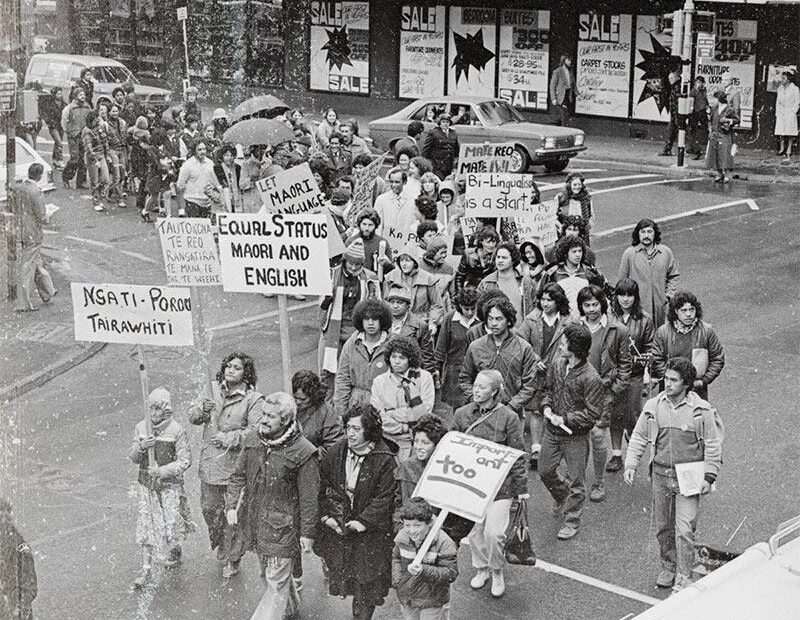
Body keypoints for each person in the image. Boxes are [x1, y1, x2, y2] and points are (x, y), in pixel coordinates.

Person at [624, 357, 722, 593]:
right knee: (663, 527)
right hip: (660, 475)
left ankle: (684, 575)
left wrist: (709, 476)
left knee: (685, 529)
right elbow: (639, 436)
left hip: (688, 478)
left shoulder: (701, 411)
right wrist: (631, 464)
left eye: (674, 380)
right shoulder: (654, 406)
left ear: (686, 384)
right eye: (666, 379)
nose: (667, 384)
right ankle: (668, 566)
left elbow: (712, 444)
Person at [226, 392, 319, 620]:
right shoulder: (253, 439)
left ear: (285, 420)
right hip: (256, 523)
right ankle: (291, 609)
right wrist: (231, 505)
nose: (264, 420)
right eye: (263, 414)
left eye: (271, 416)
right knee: (269, 575)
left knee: (275, 581)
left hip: (284, 529)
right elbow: (238, 475)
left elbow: (309, 498)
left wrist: (307, 533)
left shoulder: (304, 452)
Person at [315, 403, 397, 620]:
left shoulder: (384, 458)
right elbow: (323, 485)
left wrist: (363, 521)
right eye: (348, 428)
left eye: (356, 429)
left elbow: (385, 497)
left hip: (370, 535)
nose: (350, 433)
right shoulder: (337, 451)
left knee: (366, 584)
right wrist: (327, 516)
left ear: (369, 430)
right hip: (341, 529)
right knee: (347, 578)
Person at [188, 353, 264, 579]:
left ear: (246, 373)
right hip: (211, 464)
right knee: (210, 509)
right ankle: (222, 542)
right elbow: (193, 417)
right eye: (228, 366)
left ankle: (233, 556)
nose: (231, 370)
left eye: (237, 368)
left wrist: (229, 438)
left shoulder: (253, 399)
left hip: (234, 466)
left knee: (232, 513)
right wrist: (202, 410)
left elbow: (256, 432)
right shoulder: (211, 389)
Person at [452, 369, 527, 598]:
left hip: (500, 487)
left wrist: (521, 489)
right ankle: (481, 568)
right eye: (475, 385)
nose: (476, 390)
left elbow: (518, 454)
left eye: (482, 387)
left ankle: (496, 571)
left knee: (494, 533)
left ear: (495, 392)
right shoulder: (461, 414)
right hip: (471, 484)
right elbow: (452, 445)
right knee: (475, 532)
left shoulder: (509, 417)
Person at [538, 323, 606, 540]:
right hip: (552, 432)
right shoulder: (557, 365)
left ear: (575, 348)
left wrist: (566, 419)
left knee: (577, 480)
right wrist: (546, 406)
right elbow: (548, 390)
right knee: (545, 471)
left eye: (563, 343)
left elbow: (593, 414)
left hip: (575, 437)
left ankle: (572, 521)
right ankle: (562, 495)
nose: (559, 346)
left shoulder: (591, 378)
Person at [129, 387, 192, 588]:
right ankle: (146, 569)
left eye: (158, 409)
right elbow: (133, 457)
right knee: (147, 526)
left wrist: (163, 471)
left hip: (169, 487)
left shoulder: (176, 430)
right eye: (151, 408)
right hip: (147, 486)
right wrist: (141, 447)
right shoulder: (141, 427)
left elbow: (185, 460)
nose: (153, 413)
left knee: (171, 525)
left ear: (166, 410)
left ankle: (175, 549)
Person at [576, 285, 631, 502]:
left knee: (598, 436)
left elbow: (625, 364)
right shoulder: (574, 327)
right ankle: (578, 483)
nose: (591, 309)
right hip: (577, 391)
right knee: (578, 438)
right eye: (586, 305)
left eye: (595, 304)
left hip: (603, 391)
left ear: (603, 304)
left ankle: (598, 482)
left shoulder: (617, 330)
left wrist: (614, 390)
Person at [516, 282, 571, 469]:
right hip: (536, 371)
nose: (545, 303)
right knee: (535, 409)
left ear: (558, 301)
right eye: (543, 299)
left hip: (558, 371)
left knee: (556, 408)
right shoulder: (532, 319)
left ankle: (554, 449)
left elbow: (572, 342)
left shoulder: (568, 321)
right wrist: (534, 358)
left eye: (550, 300)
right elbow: (520, 341)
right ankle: (536, 448)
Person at [459, 297, 537, 418]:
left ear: (509, 321)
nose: (493, 323)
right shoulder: (476, 347)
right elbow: (465, 379)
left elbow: (530, 385)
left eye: (499, 319)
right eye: (490, 319)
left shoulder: (524, 348)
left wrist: (511, 407)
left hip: (512, 414)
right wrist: (476, 400)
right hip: (481, 413)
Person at [319, 239, 381, 388]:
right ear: (344, 260)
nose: (353, 267)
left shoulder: (370, 278)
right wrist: (327, 298)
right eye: (350, 263)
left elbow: (377, 305)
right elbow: (321, 306)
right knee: (326, 372)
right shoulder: (332, 274)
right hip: (333, 330)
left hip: (357, 331)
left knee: (354, 371)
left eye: (357, 264)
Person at [608, 278, 655, 470]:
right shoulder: (609, 317)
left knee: (633, 414)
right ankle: (616, 455)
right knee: (614, 414)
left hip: (635, 375)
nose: (625, 299)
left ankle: (633, 451)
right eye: (622, 295)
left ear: (636, 297)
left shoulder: (644, 319)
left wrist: (641, 360)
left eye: (630, 295)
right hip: (614, 374)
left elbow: (651, 348)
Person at [650, 291, 725, 401]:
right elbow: (657, 359)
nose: (689, 314)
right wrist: (671, 379)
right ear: (676, 311)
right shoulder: (663, 332)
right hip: (670, 389)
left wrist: (704, 381)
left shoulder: (706, 331)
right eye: (684, 310)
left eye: (691, 309)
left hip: (697, 390)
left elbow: (717, 358)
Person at [392, 497, 459, 620]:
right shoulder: (402, 537)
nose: (411, 531)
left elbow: (450, 573)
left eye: (417, 525)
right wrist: (398, 579)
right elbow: (396, 558)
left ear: (429, 523)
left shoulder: (444, 542)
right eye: (407, 525)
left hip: (432, 600)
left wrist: (424, 570)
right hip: (407, 596)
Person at [370, 336, 435, 458]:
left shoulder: (424, 378)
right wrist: (403, 427)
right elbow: (377, 416)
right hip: (386, 439)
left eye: (402, 358)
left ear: (410, 359)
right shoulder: (379, 381)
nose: (397, 361)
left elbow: (423, 414)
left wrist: (391, 412)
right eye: (393, 357)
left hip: (414, 441)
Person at [334, 299, 394, 417]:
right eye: (366, 319)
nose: (370, 323)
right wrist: (341, 411)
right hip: (356, 405)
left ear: (382, 320)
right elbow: (343, 378)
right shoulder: (351, 344)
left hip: (384, 406)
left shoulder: (392, 344)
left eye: (375, 319)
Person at [617, 218, 680, 327]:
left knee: (661, 333)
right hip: (638, 308)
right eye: (643, 232)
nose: (646, 235)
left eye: (649, 232)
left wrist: (669, 296)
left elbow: (673, 276)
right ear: (638, 234)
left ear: (655, 233)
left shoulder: (665, 252)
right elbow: (621, 282)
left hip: (661, 307)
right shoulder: (629, 254)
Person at [14, 163, 57, 313]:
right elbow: (41, 216)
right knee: (28, 266)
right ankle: (24, 303)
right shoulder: (36, 192)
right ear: (39, 176)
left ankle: (48, 291)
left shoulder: (19, 188)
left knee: (37, 262)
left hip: (21, 229)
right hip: (33, 232)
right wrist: (49, 214)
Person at [538, 236, 607, 319]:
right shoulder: (553, 274)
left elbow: (602, 298)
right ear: (565, 253)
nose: (578, 255)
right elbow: (541, 299)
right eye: (574, 251)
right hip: (562, 320)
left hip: (586, 319)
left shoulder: (590, 273)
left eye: (580, 251)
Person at [383, 244, 444, 333]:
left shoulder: (428, 278)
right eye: (401, 260)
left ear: (415, 262)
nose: (404, 264)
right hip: (397, 323)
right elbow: (386, 302)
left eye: (407, 260)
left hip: (421, 323)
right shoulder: (391, 277)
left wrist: (432, 322)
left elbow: (437, 305)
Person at [477, 241, 537, 322]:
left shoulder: (526, 281)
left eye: (504, 258)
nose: (500, 260)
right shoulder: (486, 283)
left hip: (522, 328)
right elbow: (479, 311)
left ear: (513, 260)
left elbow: (535, 307)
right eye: (498, 257)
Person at [384, 284, 436, 374]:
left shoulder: (420, 325)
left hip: (410, 373)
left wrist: (427, 376)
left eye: (399, 303)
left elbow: (427, 358)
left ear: (408, 306)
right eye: (392, 302)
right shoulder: (383, 322)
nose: (395, 306)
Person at [0, 498, 37, 620]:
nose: (3, 521)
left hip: (15, 611)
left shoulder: (20, 546)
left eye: (5, 517)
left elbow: (30, 583)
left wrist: (20, 609)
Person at [292, 370, 343, 453]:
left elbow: (333, 446)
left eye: (303, 399)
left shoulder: (328, 413)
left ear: (313, 396)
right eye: (295, 397)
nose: (297, 402)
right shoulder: (291, 407)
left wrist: (311, 453)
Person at [176, 140, 222, 218]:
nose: (202, 152)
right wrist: (181, 210)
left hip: (207, 203)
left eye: (204, 149)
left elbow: (216, 183)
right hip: (192, 202)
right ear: (194, 151)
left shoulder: (210, 163)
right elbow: (180, 186)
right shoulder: (187, 165)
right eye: (199, 150)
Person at [375, 167, 416, 248]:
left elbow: (414, 225)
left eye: (397, 182)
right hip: (386, 244)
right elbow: (378, 225)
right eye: (391, 182)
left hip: (406, 245)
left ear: (404, 182)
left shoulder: (413, 201)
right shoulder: (381, 199)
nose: (393, 185)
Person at [453, 225, 499, 296]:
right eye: (488, 242)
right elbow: (459, 277)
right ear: (481, 241)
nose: (491, 245)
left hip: (489, 292)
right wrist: (460, 295)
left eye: (493, 242)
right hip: (472, 292)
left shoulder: (497, 255)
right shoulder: (468, 254)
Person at [705, 90, 739, 183]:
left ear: (719, 99)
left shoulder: (729, 109)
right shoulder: (714, 109)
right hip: (715, 134)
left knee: (725, 154)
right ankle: (719, 173)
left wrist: (729, 120)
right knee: (715, 154)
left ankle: (726, 174)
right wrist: (710, 130)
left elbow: (737, 119)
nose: (713, 100)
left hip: (724, 134)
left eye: (715, 98)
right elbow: (711, 120)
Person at [61, 87, 92, 189]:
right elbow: (64, 121)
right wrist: (69, 131)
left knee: (83, 159)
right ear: (75, 96)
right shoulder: (69, 108)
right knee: (74, 158)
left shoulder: (87, 107)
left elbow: (90, 119)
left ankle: (81, 182)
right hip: (73, 136)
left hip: (83, 136)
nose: (83, 96)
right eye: (80, 94)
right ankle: (66, 178)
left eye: (83, 94)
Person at [80, 110, 111, 211]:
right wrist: (95, 159)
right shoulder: (87, 131)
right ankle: (96, 201)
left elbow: (105, 141)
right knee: (95, 181)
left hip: (101, 155)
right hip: (93, 158)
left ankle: (100, 197)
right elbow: (89, 148)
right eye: (95, 119)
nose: (97, 120)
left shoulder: (99, 128)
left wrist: (107, 154)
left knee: (106, 179)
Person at [555, 173, 593, 244]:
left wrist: (587, 227)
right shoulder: (561, 197)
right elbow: (553, 216)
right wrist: (560, 227)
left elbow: (591, 215)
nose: (577, 187)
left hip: (581, 233)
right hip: (565, 233)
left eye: (579, 184)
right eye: (575, 185)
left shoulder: (586, 198)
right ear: (569, 185)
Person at [421, 113, 459, 180]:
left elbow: (456, 150)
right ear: (440, 123)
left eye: (447, 122)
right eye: (443, 122)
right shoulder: (434, 132)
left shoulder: (453, 133)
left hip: (449, 165)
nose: (445, 124)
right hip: (437, 165)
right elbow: (426, 150)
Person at [106, 104, 128, 208]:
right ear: (109, 112)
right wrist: (107, 154)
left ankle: (109, 190)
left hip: (122, 150)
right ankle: (120, 198)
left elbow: (125, 136)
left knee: (123, 175)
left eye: (116, 111)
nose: (115, 113)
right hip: (113, 150)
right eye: (113, 111)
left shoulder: (122, 122)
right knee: (117, 176)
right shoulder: (106, 124)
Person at [774, 71, 800, 159]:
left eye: (783, 78)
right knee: (780, 131)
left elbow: (797, 102)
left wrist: (793, 112)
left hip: (790, 112)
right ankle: (782, 148)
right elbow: (777, 102)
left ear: (788, 80)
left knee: (790, 131)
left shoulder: (795, 89)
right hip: (781, 112)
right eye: (781, 78)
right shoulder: (780, 88)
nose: (782, 80)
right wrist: (778, 112)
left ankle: (789, 149)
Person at [39, 87, 65, 168]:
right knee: (59, 143)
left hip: (61, 126)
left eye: (61, 93)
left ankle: (54, 159)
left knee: (57, 143)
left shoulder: (64, 104)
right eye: (58, 93)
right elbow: (45, 114)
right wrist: (49, 122)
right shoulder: (50, 104)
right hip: (53, 126)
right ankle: (59, 160)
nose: (60, 95)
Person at [659, 68, 682, 157]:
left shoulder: (677, 87)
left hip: (676, 113)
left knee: (674, 131)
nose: (670, 80)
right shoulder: (676, 86)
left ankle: (668, 149)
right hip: (675, 113)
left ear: (676, 78)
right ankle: (668, 149)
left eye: (671, 78)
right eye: (669, 78)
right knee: (674, 131)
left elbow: (677, 101)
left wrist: (675, 114)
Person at [213, 144, 242, 212]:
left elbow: (239, 183)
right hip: (223, 199)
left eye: (231, 155)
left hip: (236, 198)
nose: (229, 158)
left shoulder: (237, 168)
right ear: (222, 156)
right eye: (226, 155)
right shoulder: (217, 168)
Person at [550, 55, 576, 126]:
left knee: (566, 113)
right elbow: (552, 86)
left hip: (568, 94)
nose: (570, 62)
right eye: (568, 60)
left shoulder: (570, 71)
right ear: (564, 61)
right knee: (564, 113)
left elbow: (573, 84)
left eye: (570, 60)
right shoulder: (557, 71)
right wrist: (553, 98)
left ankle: (563, 125)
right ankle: (563, 127)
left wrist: (577, 93)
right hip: (561, 95)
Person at [688, 76, 709, 160]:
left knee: (704, 129)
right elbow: (691, 102)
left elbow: (705, 100)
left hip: (702, 111)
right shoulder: (693, 91)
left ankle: (699, 147)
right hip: (695, 112)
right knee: (693, 130)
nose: (699, 84)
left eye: (700, 82)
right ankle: (694, 147)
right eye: (697, 82)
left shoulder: (703, 90)